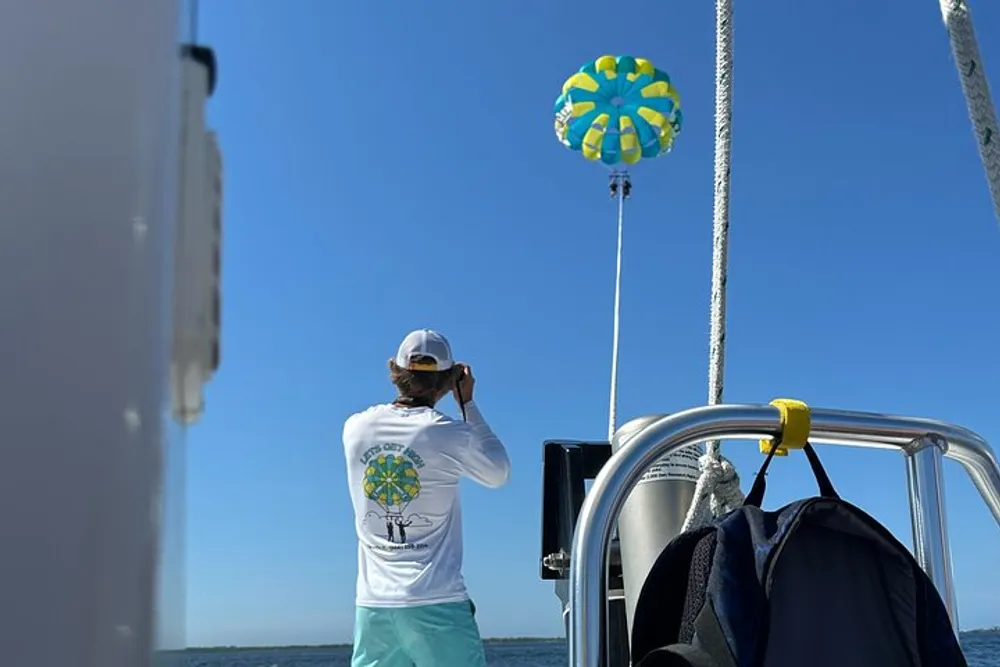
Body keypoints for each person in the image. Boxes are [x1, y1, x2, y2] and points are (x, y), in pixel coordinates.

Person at [343, 328, 511, 667]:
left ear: (394, 370)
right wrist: (468, 404)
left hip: (373, 606)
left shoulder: (354, 428)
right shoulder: (449, 434)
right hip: (437, 601)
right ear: (449, 380)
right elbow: (498, 472)